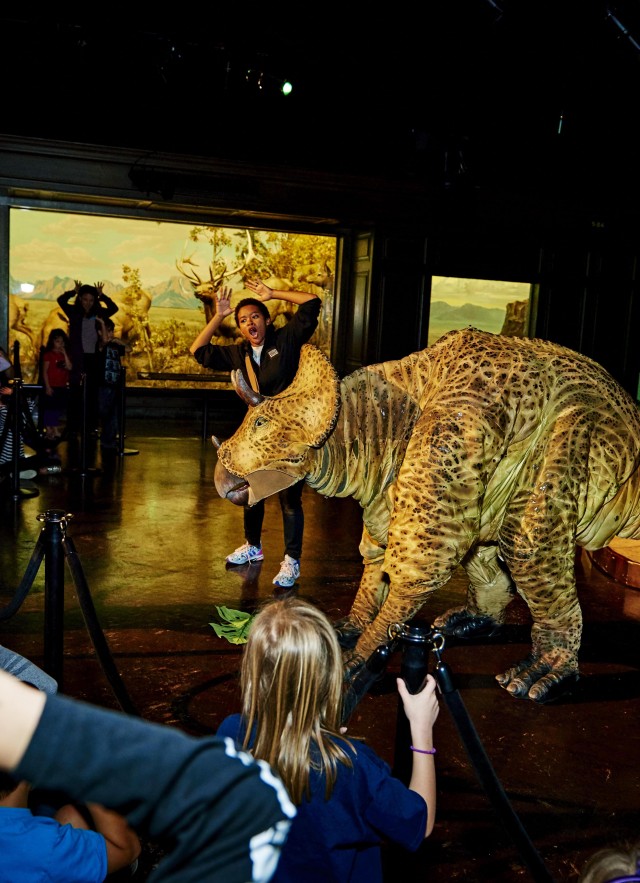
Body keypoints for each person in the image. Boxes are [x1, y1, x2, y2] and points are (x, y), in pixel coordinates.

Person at [0, 667, 295, 883]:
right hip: (41, 853)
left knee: (69, 815)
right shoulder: (44, 849)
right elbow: (127, 849)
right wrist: (90, 772)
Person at [217, 597, 440, 882]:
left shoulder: (231, 735)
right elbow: (420, 824)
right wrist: (422, 729)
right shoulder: (351, 764)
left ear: (252, 673)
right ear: (330, 674)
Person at [190, 278, 321, 589]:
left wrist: (273, 293)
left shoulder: (286, 340)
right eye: (243, 319)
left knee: (290, 500)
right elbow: (198, 351)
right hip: (258, 437)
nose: (250, 322)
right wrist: (219, 315)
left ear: (267, 320)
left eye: (255, 317)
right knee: (253, 495)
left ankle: (292, 560)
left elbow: (312, 302)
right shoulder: (240, 353)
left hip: (290, 434)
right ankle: (253, 546)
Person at [0, 771, 142, 882]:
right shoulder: (39, 845)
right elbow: (128, 850)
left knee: (72, 816)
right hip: (36, 855)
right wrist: (90, 772)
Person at [57, 280, 118, 434]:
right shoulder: (73, 312)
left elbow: (113, 308)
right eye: (85, 299)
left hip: (94, 358)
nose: (88, 303)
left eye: (91, 300)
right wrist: (73, 291)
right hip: (77, 358)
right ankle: (72, 427)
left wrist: (102, 295)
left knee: (92, 394)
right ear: (80, 299)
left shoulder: (99, 313)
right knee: (75, 393)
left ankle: (90, 427)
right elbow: (61, 300)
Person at [96, 316, 130, 451]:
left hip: (115, 383)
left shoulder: (115, 345)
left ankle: (108, 441)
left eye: (112, 331)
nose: (111, 334)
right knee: (105, 411)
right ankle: (105, 439)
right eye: (108, 331)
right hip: (104, 382)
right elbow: (103, 342)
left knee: (113, 414)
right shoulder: (100, 345)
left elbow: (128, 349)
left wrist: (119, 342)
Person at [41, 327, 72, 447]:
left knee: (58, 408)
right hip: (52, 385)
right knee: (50, 408)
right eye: (58, 341)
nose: (60, 344)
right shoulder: (48, 355)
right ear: (52, 342)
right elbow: (45, 371)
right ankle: (51, 429)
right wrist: (47, 386)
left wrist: (64, 353)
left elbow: (69, 367)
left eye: (62, 341)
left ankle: (52, 428)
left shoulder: (65, 355)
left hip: (62, 385)